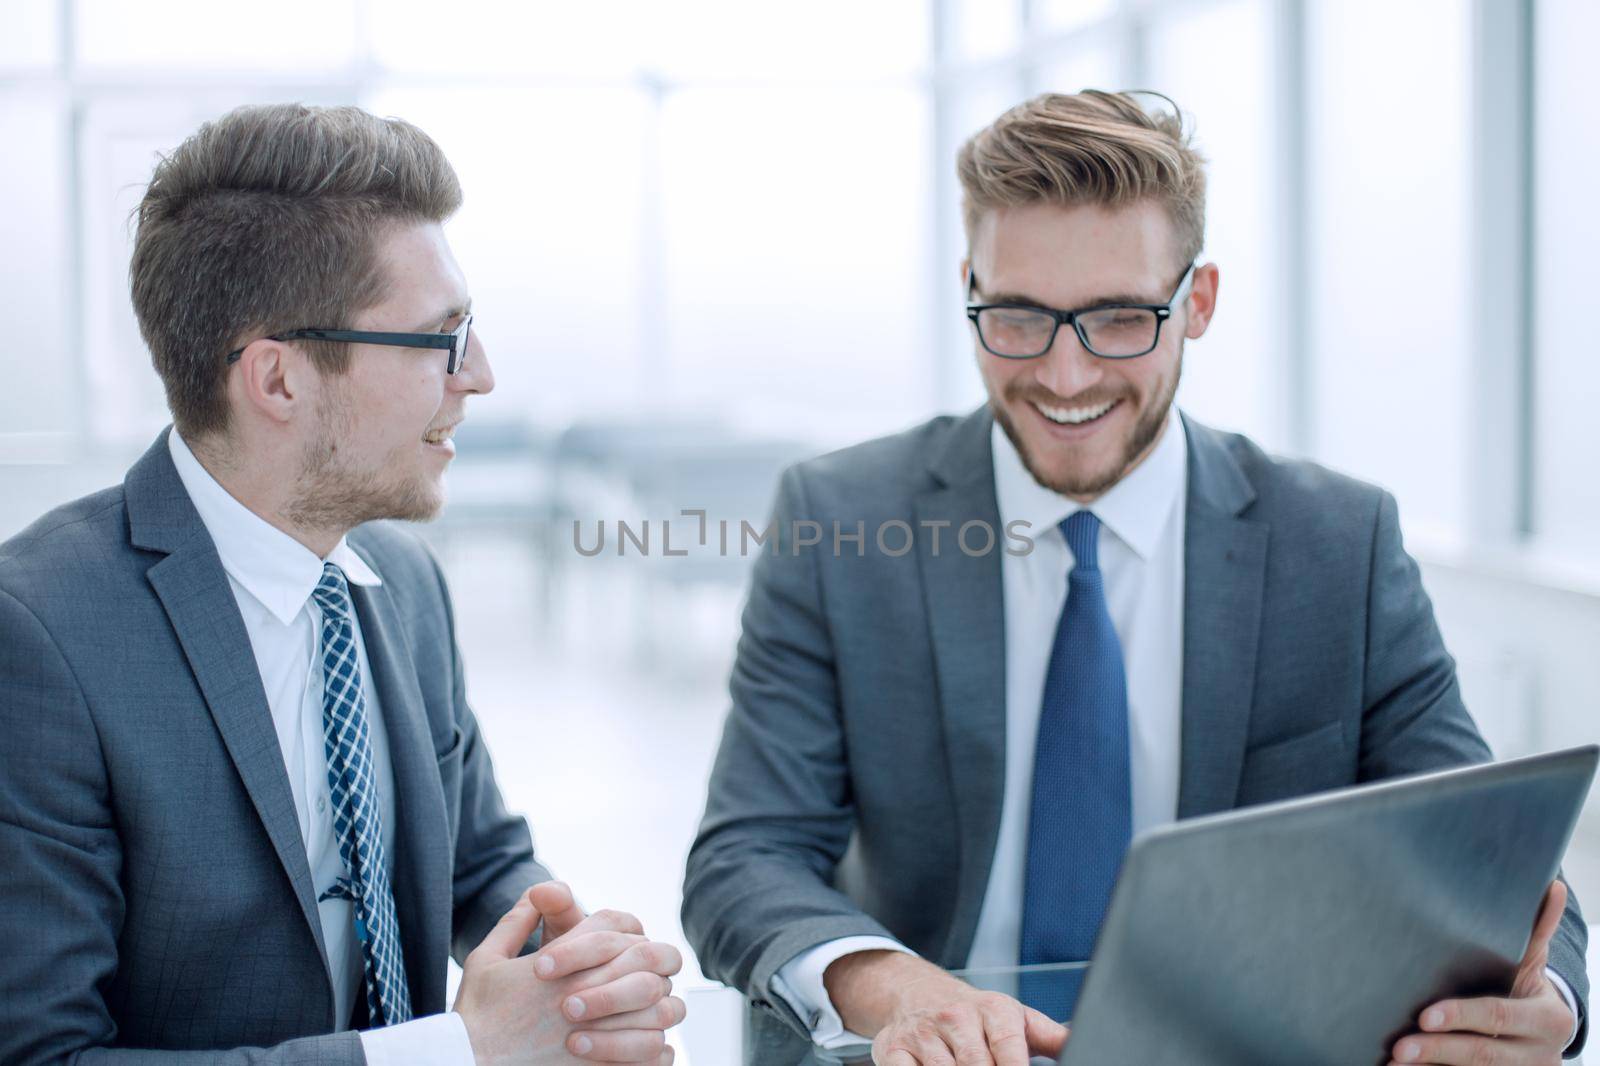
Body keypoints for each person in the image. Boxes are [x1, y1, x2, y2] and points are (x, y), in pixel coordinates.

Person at [682, 90, 1588, 1066]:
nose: (1065, 377)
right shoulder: (839, 520)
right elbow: (745, 857)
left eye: (1120, 319)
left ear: (1196, 303)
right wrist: (899, 986)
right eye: (1019, 316)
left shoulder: (1337, 543)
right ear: (969, 289)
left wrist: (1553, 1005)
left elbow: (1492, 856)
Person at [0, 104, 682, 1065]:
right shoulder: (39, 636)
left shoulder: (398, 581)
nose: (478, 376)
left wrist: (574, 976)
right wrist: (454, 1050)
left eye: (471, 329)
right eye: (439, 338)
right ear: (278, 381)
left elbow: (477, 862)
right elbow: (39, 1055)